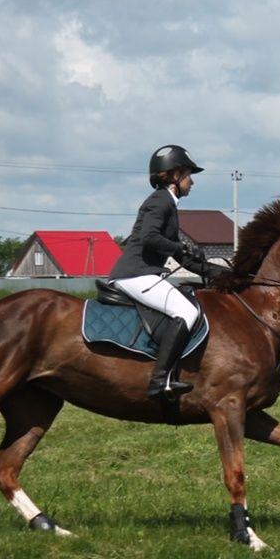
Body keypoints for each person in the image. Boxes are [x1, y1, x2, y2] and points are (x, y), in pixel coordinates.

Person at [108, 144, 218, 401]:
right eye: (189, 175)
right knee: (187, 311)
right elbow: (149, 238)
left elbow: (181, 258)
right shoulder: (160, 201)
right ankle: (160, 380)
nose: (192, 182)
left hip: (141, 274)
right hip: (135, 274)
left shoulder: (168, 203)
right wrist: (181, 246)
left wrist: (220, 273)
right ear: (175, 175)